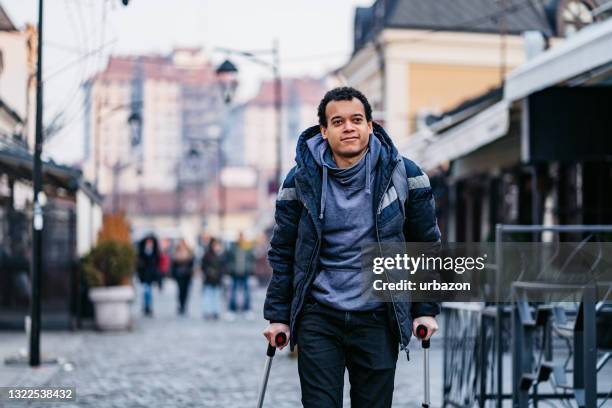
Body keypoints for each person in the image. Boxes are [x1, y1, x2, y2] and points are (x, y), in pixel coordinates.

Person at [262, 87, 441, 407]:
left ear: (371, 126)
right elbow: (284, 250)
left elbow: (424, 244)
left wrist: (424, 309)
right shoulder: (300, 180)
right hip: (319, 316)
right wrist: (278, 317)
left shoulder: (406, 175)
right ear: (324, 131)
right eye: (338, 121)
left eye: (357, 119)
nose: (348, 127)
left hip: (378, 316)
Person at [226, 232, 255, 316]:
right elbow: (229, 259)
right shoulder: (233, 247)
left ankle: (247, 309)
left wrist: (250, 269)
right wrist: (230, 269)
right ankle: (232, 309)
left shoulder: (248, 247)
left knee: (246, 292)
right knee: (233, 292)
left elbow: (251, 259)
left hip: (245, 272)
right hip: (235, 272)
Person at [201, 237, 225, 320]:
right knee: (208, 296)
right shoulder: (207, 255)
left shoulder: (220, 255)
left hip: (217, 280)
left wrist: (220, 274)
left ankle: (216, 312)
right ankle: (208, 312)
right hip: (209, 279)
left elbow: (223, 267)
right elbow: (203, 267)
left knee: (217, 296)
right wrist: (209, 272)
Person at [137, 234, 160, 316]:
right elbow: (140, 263)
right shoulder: (142, 250)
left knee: (149, 291)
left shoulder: (154, 251)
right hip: (144, 275)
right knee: (146, 291)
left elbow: (157, 262)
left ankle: (148, 306)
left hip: (150, 275)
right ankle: (146, 306)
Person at [171, 239, 194, 315]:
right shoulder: (176, 252)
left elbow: (192, 264)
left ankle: (184, 305)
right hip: (179, 275)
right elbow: (173, 265)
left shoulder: (189, 253)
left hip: (187, 275)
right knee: (180, 290)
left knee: (186, 291)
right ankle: (180, 305)